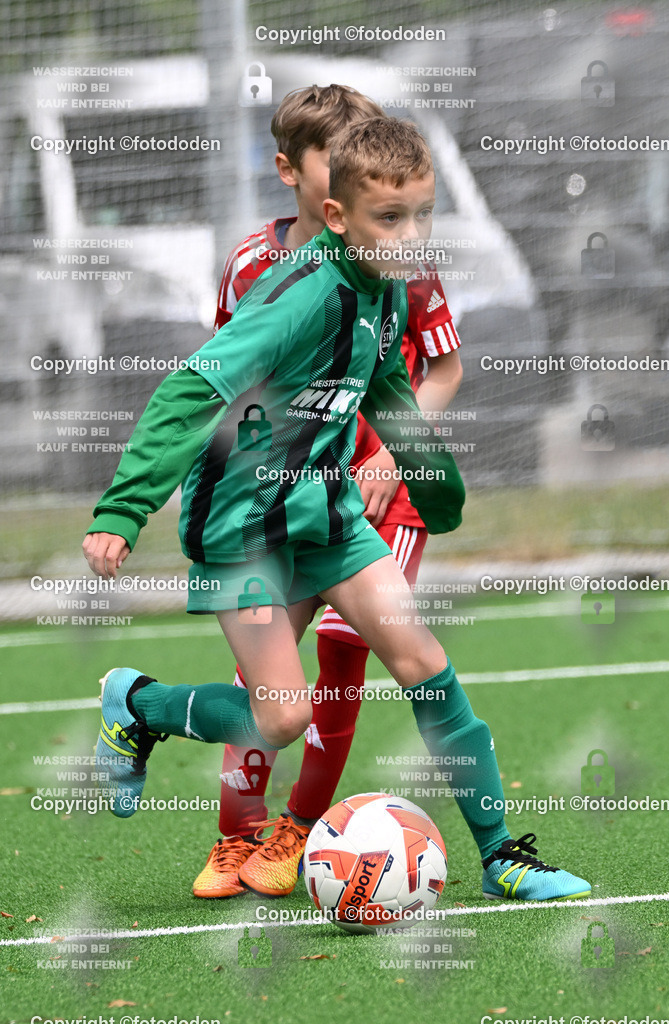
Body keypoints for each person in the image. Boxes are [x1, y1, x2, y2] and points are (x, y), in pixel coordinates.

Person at [84, 117, 591, 903]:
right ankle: (139, 703)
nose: (410, 233)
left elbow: (389, 388)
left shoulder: (386, 290)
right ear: (336, 216)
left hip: (324, 512)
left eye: (421, 214)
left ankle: (502, 858)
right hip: (243, 526)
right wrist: (123, 509)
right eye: (390, 218)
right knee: (281, 717)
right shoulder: (297, 294)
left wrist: (438, 488)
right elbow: (191, 387)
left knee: (423, 665)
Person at [194, 84, 464, 901]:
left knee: (349, 652)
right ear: (293, 171)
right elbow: (226, 380)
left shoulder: (402, 258)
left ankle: (301, 827)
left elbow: (442, 367)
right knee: (269, 677)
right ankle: (233, 830)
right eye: (333, 153)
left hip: (382, 495)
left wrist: (390, 456)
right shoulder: (252, 264)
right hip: (283, 497)